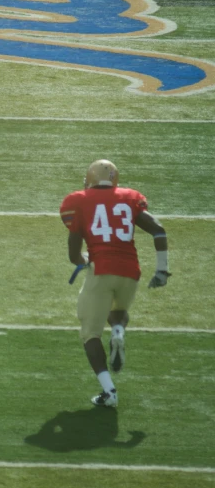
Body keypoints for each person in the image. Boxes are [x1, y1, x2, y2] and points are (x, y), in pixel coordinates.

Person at [60, 159, 170, 408]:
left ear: (89, 178)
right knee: (118, 312)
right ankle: (118, 331)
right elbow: (159, 230)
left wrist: (84, 260)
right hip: (130, 271)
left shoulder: (78, 201)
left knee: (90, 333)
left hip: (101, 271)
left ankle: (109, 392)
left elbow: (73, 254)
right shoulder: (129, 198)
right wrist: (162, 270)